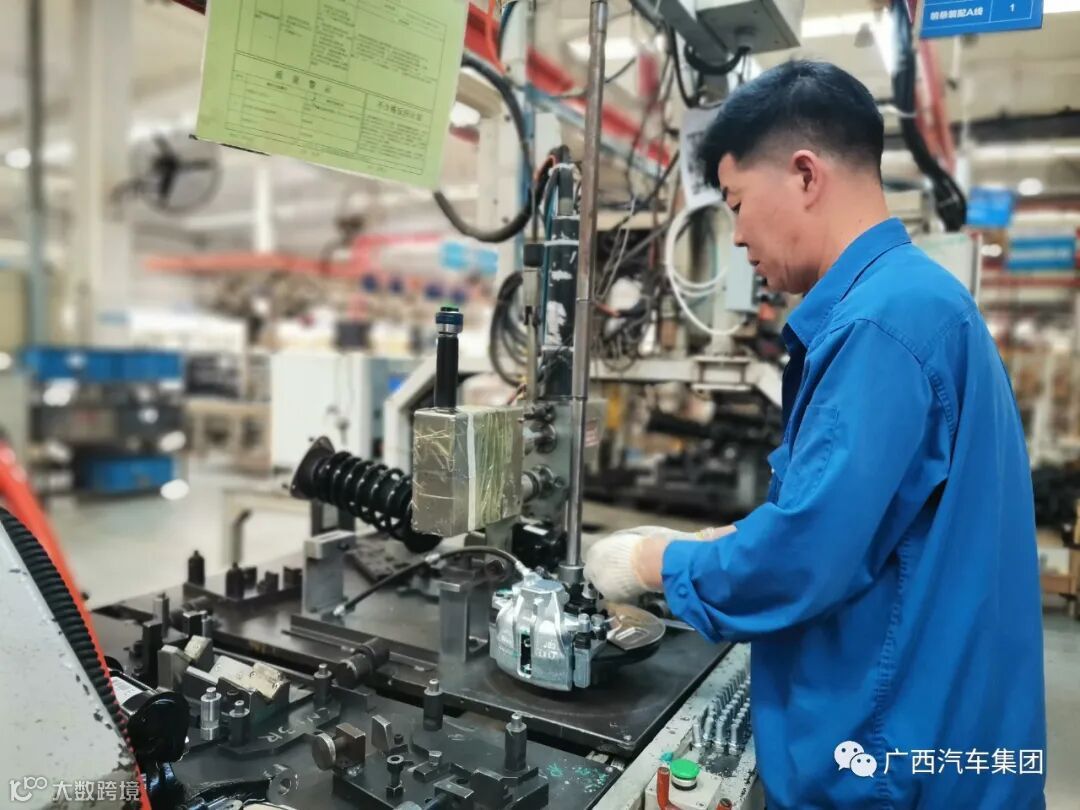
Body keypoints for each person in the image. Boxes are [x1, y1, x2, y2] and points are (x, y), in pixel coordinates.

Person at [584, 60, 1046, 809]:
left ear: (804, 174)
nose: (736, 236)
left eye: (736, 203)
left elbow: (807, 559)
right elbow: (874, 524)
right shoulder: (918, 300)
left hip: (893, 773)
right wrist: (724, 540)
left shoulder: (879, 325)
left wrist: (650, 562)